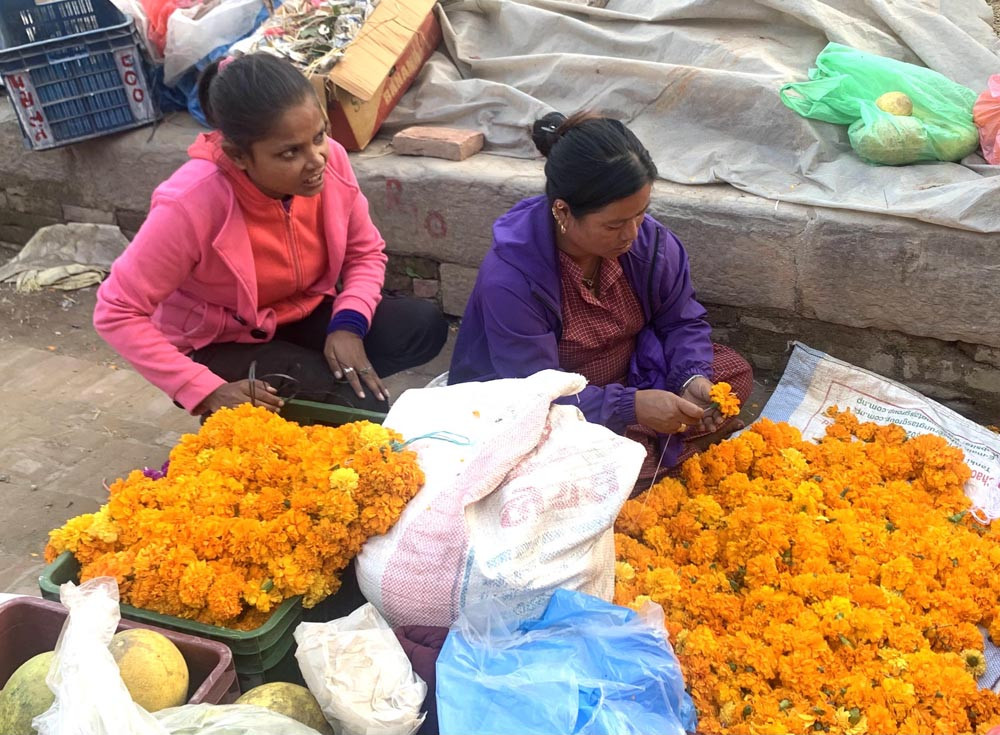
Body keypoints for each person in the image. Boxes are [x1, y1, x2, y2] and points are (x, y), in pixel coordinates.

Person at [94, 54, 447, 417]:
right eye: (290, 152)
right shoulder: (189, 203)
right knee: (362, 407)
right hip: (221, 340)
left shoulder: (332, 162)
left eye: (319, 136)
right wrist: (204, 389)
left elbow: (365, 252)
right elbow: (116, 311)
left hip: (300, 314)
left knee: (421, 327)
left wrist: (348, 325)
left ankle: (299, 397)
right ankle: (251, 407)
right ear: (239, 156)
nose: (317, 160)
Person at [449, 111, 753, 482]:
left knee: (731, 375)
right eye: (614, 224)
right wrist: (630, 407)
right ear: (562, 211)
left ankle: (650, 450)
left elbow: (681, 321)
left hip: (631, 369)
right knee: (571, 460)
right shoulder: (513, 278)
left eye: (640, 214)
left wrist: (692, 379)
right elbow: (533, 392)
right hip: (550, 397)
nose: (631, 233)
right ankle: (656, 452)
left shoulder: (650, 245)